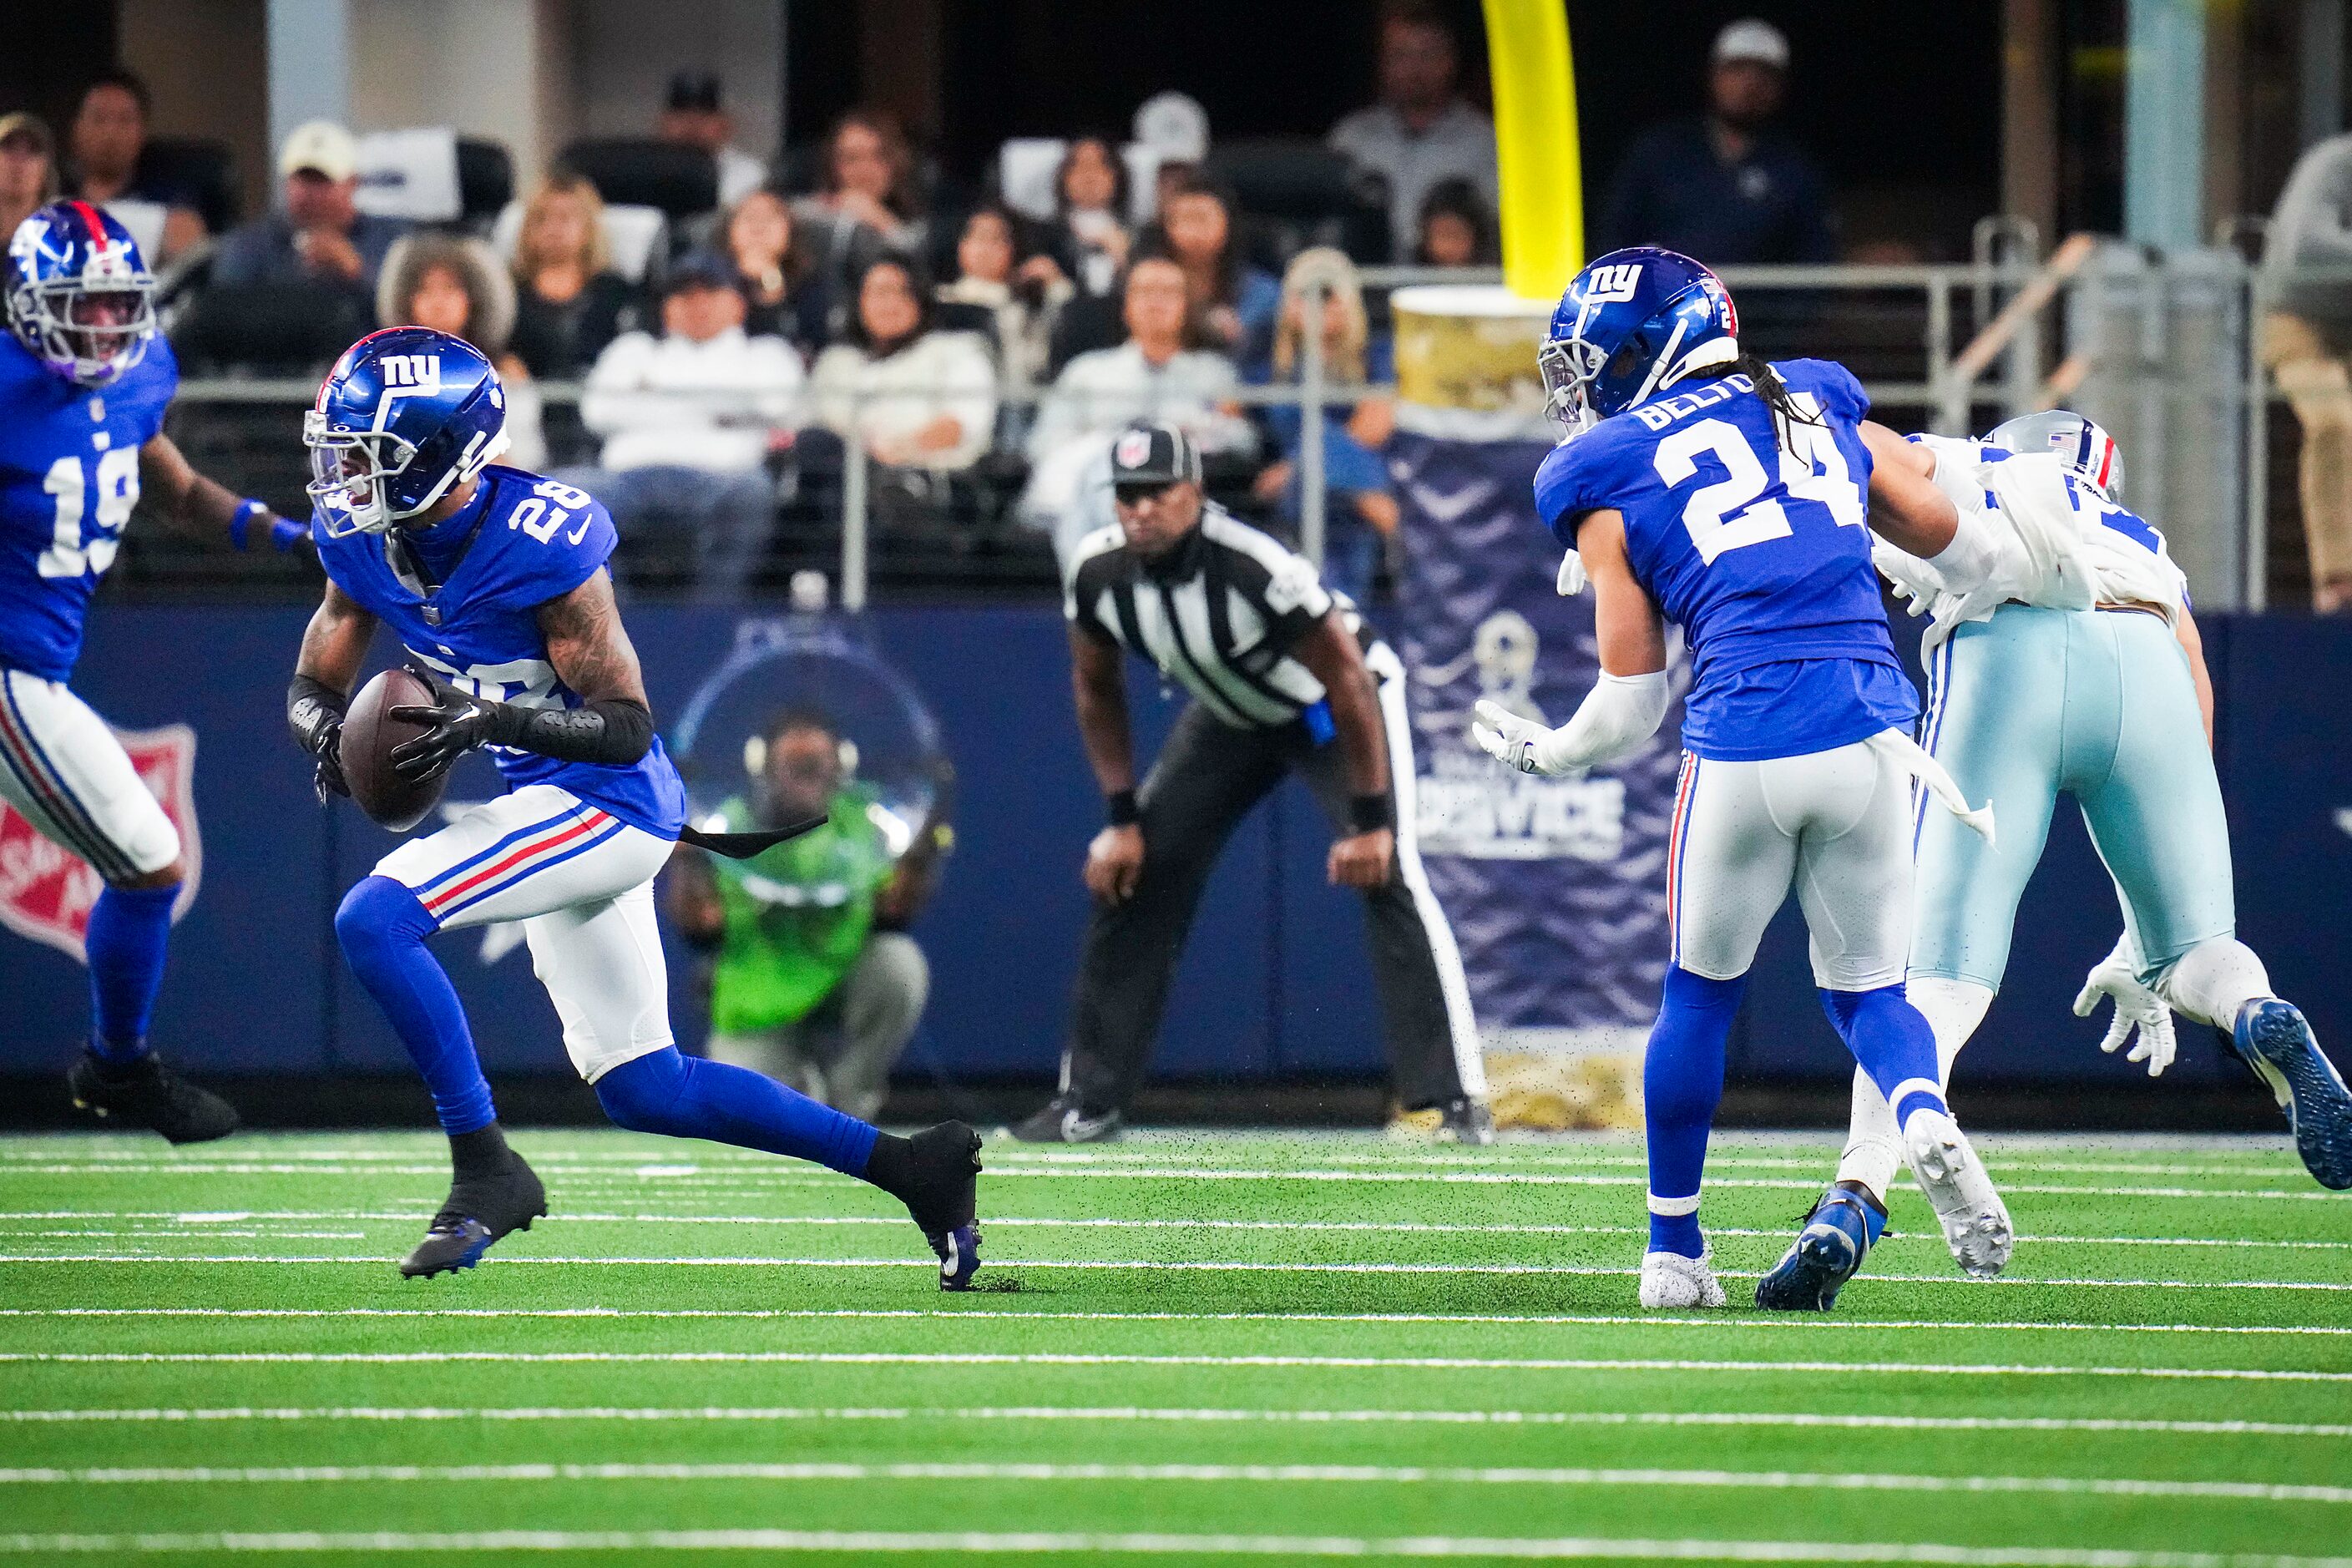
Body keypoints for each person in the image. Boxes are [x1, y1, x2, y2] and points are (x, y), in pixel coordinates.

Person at [287, 326, 982, 1283]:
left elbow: (624, 725)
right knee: (646, 1086)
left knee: (374, 920)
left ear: (444, 457)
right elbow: (315, 674)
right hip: (546, 801)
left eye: (368, 457)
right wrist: (325, 734)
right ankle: (914, 1166)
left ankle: (484, 1165)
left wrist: (485, 719)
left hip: (611, 803)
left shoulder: (542, 542)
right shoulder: (360, 540)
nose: (343, 478)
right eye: (341, 451)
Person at [1470, 246, 2024, 1308]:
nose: (1587, 390)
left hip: (1744, 742)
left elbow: (1630, 704)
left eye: (1603, 362)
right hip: (1873, 731)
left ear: (1657, 347)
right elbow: (1964, 547)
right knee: (1872, 994)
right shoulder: (1814, 394)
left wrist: (1544, 751)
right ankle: (1918, 1111)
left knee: (1699, 997)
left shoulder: (1605, 471)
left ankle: (1674, 1255)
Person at [1752, 412, 2352, 1312]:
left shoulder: (1975, 466)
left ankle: (1855, 1198)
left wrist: (1798, 428)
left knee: (1935, 981)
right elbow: (2194, 670)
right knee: (2193, 947)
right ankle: (2257, 1011)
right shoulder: (2138, 536)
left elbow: (1868, 448)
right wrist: (2147, 909)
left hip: (2010, 653)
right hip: (2147, 661)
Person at [1016, 422, 1490, 1145]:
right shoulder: (1098, 572)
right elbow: (1095, 687)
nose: (1141, 509)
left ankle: (1454, 1099)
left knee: (1389, 871)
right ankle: (1088, 1099)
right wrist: (1120, 816)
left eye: (1158, 492)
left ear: (1194, 493)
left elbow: (1347, 679)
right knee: (1132, 874)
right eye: (1129, 495)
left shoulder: (1251, 564)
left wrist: (1368, 820)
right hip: (1230, 714)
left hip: (1331, 709)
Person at [0, 202, 304, 1143]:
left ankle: (118, 1069)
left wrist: (288, 536)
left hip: (35, 672)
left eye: (114, 306)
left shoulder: (141, 371)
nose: (100, 326)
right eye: (77, 308)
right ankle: (120, 1070)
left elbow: (171, 489)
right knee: (147, 858)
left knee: (146, 863)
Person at [665, 708, 943, 1123]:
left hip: (843, 977)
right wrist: (684, 860)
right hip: (758, 999)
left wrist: (924, 849)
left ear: (841, 766)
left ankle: (852, 1098)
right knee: (759, 1116)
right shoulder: (727, 825)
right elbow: (700, 924)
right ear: (764, 767)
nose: (805, 775)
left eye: (815, 766)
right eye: (794, 767)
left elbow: (895, 910)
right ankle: (800, 1093)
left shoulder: (870, 823)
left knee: (899, 963)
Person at [569, 255, 802, 597]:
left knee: (753, 490)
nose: (697, 304)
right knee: (570, 491)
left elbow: (778, 406)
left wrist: (653, 394)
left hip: (723, 479)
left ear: (738, 304)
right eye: (684, 295)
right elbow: (597, 411)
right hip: (628, 479)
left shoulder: (765, 353)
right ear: (666, 308)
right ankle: (616, 620)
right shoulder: (634, 349)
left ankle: (712, 620)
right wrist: (724, 404)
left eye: (710, 292)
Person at [1021, 255, 1257, 558]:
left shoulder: (1214, 373)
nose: (1155, 302)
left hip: (1176, 491)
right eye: (1145, 291)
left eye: (1168, 292)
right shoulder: (1086, 371)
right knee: (1110, 470)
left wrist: (1194, 428)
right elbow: (1043, 444)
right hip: (1089, 493)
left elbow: (1243, 440)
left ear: (1186, 307)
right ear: (1125, 306)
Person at [1597, 19, 1835, 266]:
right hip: (1664, 300)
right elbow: (1614, 238)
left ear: (1781, 87)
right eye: (1737, 69)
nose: (1750, 84)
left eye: (1765, 74)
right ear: (1713, 75)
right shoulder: (1659, 151)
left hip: (1756, 304)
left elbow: (1813, 262)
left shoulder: (1795, 169)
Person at [1251, 249, 1397, 604]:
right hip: (1300, 500)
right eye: (1305, 295)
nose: (1317, 306)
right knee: (1330, 469)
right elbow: (1225, 410)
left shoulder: (1376, 355)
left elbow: (1376, 426)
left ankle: (1338, 605)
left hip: (1338, 492)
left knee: (1327, 458)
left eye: (1327, 294)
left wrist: (1298, 463)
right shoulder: (1272, 365)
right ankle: (1397, 533)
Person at [807, 257, 998, 512]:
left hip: (921, 490)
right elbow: (812, 422)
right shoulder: (837, 361)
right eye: (878, 293)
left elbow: (962, 425)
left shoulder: (956, 352)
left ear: (920, 300)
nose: (889, 304)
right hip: (837, 485)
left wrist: (898, 450)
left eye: (901, 292)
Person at [1327, 2, 1500, 258]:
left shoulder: (1485, 141)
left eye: (1427, 55)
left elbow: (1497, 234)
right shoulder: (1351, 138)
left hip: (1451, 287)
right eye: (1400, 55)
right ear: (1382, 61)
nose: (1414, 69)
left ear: (1451, 60)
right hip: (1367, 280)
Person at [2261, 132, 2352, 612]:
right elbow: (2306, 247)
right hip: (2299, 320)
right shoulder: (2336, 162)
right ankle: (2336, 581)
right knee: (2334, 421)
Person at [378, 230, 547, 471]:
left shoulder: (503, 374)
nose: (438, 303)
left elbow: (528, 456)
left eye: (450, 290)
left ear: (474, 299)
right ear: (406, 300)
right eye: (424, 291)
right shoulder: (389, 372)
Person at [213, 120, 407, 301]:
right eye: (304, 180)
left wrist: (355, 270)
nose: (311, 194)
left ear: (352, 183)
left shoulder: (393, 240)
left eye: (322, 180)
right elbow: (228, 309)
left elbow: (413, 309)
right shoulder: (250, 245)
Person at [62, 71, 205, 266]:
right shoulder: (53, 192)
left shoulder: (167, 197)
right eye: (99, 119)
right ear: (76, 128)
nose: (110, 133)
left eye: (125, 120)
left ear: (143, 131)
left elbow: (192, 255)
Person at [508, 173, 640, 382]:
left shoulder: (615, 291)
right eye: (542, 219)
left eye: (565, 218)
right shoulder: (508, 292)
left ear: (589, 229)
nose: (553, 229)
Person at [1142, 177, 1279, 374]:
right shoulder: (1150, 285)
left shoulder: (1264, 294)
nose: (1194, 232)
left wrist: (1238, 335)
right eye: (1185, 220)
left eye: (1202, 219)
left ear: (1228, 224)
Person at [935, 202, 1071, 394]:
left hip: (1021, 394)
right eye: (977, 237)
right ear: (961, 246)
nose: (985, 248)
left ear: (1014, 249)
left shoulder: (1032, 301)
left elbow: (1058, 341)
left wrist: (1055, 283)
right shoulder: (940, 299)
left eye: (996, 239)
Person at [794, 109, 925, 285]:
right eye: (852, 158)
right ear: (834, 165)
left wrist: (883, 222)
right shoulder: (807, 216)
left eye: (877, 157)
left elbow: (921, 268)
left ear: (896, 162)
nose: (865, 170)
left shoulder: (916, 225)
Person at [721, 187, 830, 353]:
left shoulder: (809, 283)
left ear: (790, 230)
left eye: (769, 218)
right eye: (749, 217)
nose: (758, 228)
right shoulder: (709, 280)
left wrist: (769, 281)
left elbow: (808, 343)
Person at [657, 71, 768, 208]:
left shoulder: (752, 176)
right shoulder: (644, 171)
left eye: (704, 116)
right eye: (682, 116)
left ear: (725, 124)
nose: (692, 125)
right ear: (664, 123)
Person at [1048, 135, 1132, 298]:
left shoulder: (1140, 234)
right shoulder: (1042, 236)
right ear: (1064, 177)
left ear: (1117, 176)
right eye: (1079, 166)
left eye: (1100, 166)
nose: (1089, 176)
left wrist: (1124, 260)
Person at [0, 114, 61, 243]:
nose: (19, 160)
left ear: (46, 170)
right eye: (9, 147)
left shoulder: (61, 240)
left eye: (32, 150)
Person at [1414, 177, 1497, 268]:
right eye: (1440, 235)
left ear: (1476, 236)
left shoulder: (1496, 275)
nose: (1447, 246)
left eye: (1455, 235)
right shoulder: (1411, 274)